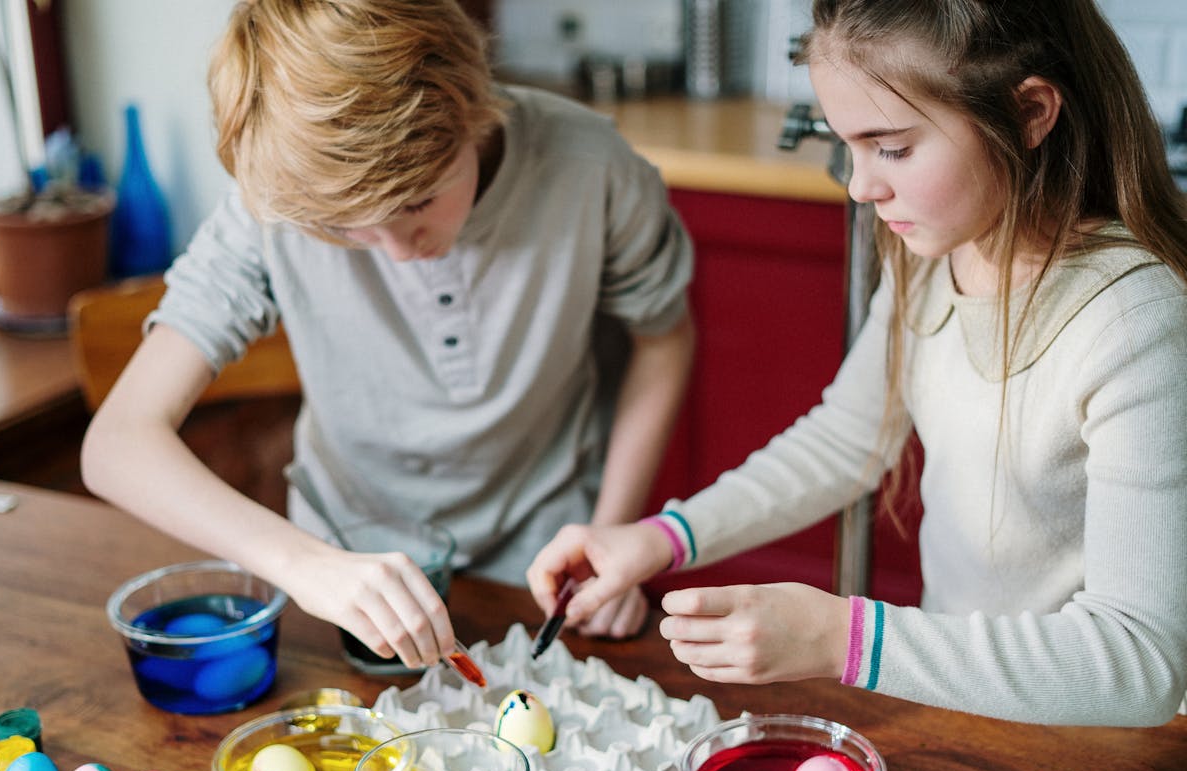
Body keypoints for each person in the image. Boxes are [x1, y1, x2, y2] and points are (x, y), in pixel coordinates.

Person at [527, 0, 1187, 726]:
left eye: (893, 148)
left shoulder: (1135, 320)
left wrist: (841, 636)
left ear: (1030, 112)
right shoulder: (944, 245)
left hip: (1111, 746)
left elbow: (1139, 660)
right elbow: (846, 438)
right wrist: (659, 538)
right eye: (850, 147)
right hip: (968, 713)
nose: (860, 187)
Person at [81, 0, 694, 671]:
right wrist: (308, 565)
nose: (399, 252)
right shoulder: (279, 199)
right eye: (349, 230)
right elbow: (117, 443)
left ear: (472, 105)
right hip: (343, 575)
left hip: (540, 567)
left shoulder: (593, 168)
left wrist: (610, 533)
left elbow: (663, 340)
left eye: (417, 202)